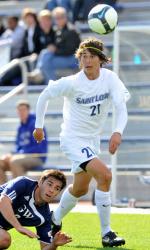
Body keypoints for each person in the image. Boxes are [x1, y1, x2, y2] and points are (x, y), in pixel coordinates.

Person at [33, 37, 130, 247]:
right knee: (105, 175)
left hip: (91, 141)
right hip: (72, 139)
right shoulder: (73, 82)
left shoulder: (110, 79)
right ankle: (107, 233)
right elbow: (44, 95)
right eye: (83, 56)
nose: (87, 60)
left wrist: (117, 132)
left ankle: (54, 219)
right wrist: (38, 126)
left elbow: (121, 107)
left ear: (101, 59)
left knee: (80, 189)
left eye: (91, 56)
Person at [0, 169, 72, 249]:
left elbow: (45, 247)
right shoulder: (23, 183)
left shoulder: (44, 217)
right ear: (40, 182)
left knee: (4, 240)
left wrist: (54, 244)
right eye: (49, 184)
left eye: (57, 188)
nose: (51, 190)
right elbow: (3, 201)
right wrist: (18, 227)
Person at [0, 100, 48, 184]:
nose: (21, 112)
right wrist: (11, 155)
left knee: (15, 162)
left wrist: (17, 155)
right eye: (19, 110)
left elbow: (38, 147)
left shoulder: (36, 125)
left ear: (28, 111)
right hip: (21, 156)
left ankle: (19, 192)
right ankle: (3, 191)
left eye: (23, 110)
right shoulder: (20, 127)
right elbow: (18, 146)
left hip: (37, 157)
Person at [36, 7, 81, 84]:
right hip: (64, 56)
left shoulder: (71, 30)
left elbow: (70, 50)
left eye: (61, 17)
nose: (59, 20)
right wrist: (53, 49)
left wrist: (55, 50)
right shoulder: (58, 29)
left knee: (46, 62)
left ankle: (50, 84)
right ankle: (52, 84)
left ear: (65, 17)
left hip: (73, 59)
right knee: (45, 53)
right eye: (56, 18)